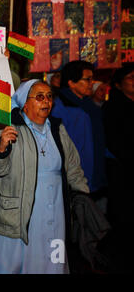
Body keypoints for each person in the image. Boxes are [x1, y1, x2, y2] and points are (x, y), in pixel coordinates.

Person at [0, 80, 89, 274]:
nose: (46, 101)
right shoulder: (10, 129)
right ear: (25, 103)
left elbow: (73, 165)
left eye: (49, 97)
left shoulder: (57, 129)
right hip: (20, 215)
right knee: (17, 266)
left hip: (55, 211)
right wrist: (1, 147)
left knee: (53, 262)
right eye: (39, 97)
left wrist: (83, 196)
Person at [51, 60, 107, 196]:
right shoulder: (60, 108)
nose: (91, 83)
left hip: (94, 173)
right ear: (71, 82)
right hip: (76, 178)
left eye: (92, 79)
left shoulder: (89, 106)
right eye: (87, 79)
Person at [101, 65, 134, 272]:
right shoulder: (113, 106)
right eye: (131, 77)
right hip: (122, 169)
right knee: (124, 217)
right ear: (119, 83)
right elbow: (114, 141)